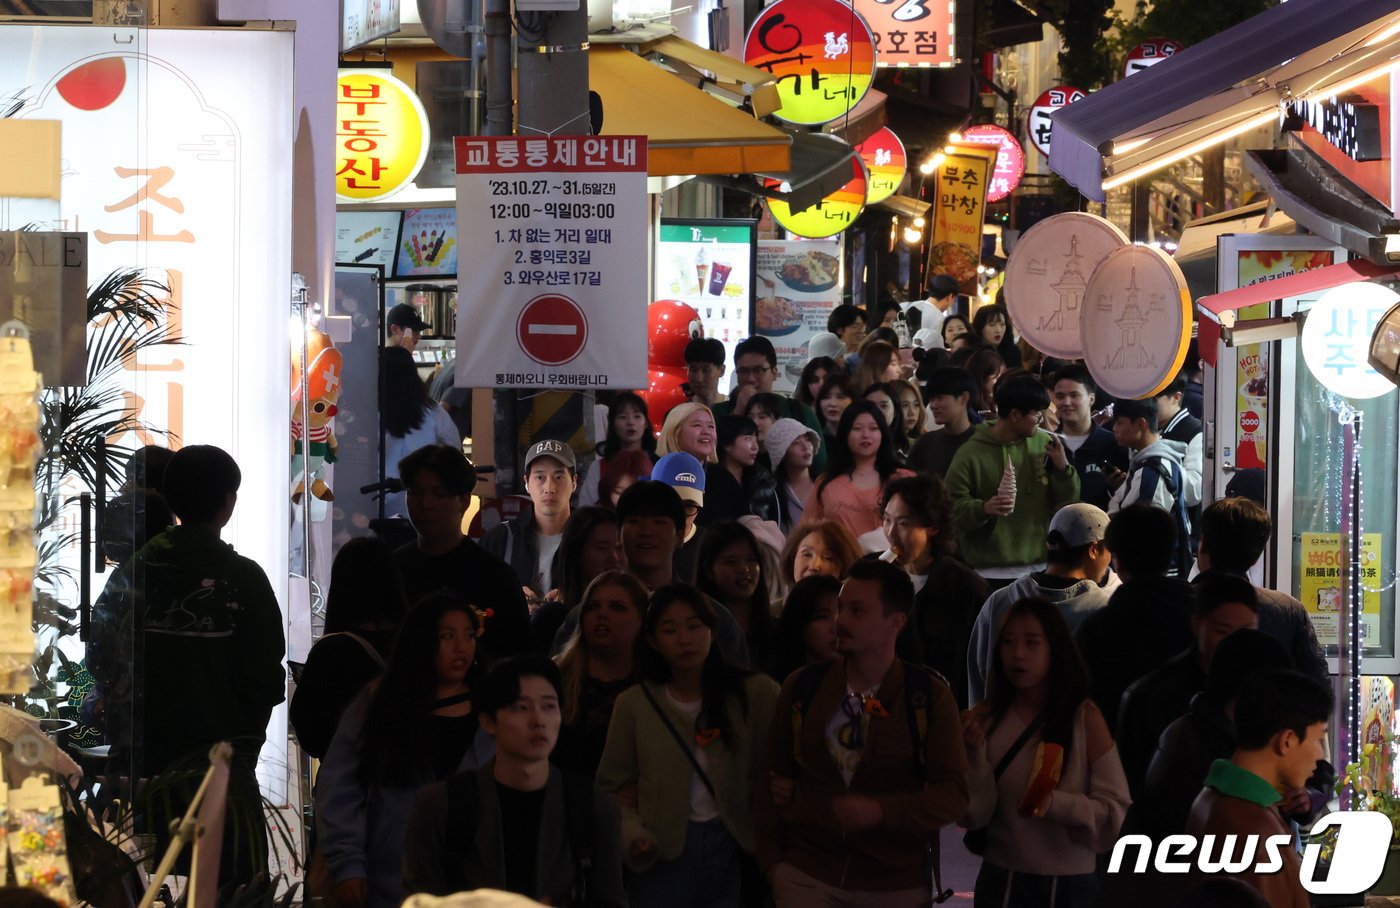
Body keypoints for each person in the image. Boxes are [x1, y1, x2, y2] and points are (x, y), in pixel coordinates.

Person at [91, 444, 285, 891]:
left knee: (138, 888)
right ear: (228, 503)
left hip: (143, 775)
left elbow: (100, 655)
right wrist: (241, 756)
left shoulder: (134, 572)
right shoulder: (245, 579)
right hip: (220, 778)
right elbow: (265, 680)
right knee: (226, 888)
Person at [755, 560, 968, 907]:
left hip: (894, 882)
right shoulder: (803, 687)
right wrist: (774, 866)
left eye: (856, 610)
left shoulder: (926, 696)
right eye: (840, 608)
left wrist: (881, 811)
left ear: (895, 622)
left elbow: (954, 795)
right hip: (808, 873)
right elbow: (769, 780)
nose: (840, 620)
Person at [596, 585, 779, 908]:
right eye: (670, 629)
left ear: (711, 630)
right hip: (661, 849)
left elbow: (776, 767)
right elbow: (610, 787)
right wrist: (633, 835)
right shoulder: (636, 704)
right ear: (652, 640)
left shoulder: (757, 694)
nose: (684, 638)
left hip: (735, 843)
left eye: (695, 626)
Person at [402, 655, 627, 907]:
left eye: (549, 706)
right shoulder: (441, 805)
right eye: (521, 708)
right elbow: (420, 899)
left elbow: (611, 900)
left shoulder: (593, 806)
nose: (538, 721)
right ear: (488, 721)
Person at [316, 593, 494, 908]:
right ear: (421, 641)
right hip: (389, 880)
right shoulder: (381, 704)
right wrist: (348, 864)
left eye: (468, 635)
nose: (461, 647)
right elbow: (341, 787)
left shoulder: (493, 707)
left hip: (475, 882)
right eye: (447, 636)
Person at [961, 598, 1129, 907]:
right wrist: (974, 757)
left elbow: (1115, 809)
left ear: (1055, 649)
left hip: (1069, 884)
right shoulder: (984, 718)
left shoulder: (1084, 718)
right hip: (1001, 877)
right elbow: (973, 814)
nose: (1018, 654)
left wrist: (1054, 803)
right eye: (1008, 643)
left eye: (1031, 643)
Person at [551, 482, 749, 666]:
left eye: (659, 522)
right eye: (635, 521)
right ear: (619, 535)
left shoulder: (711, 617)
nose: (646, 531)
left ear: (680, 536)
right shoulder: (587, 618)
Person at [1181, 670, 1332, 908]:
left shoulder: (1213, 796)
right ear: (1287, 740)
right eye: (1318, 739)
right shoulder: (1255, 831)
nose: (1320, 755)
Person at [1116, 573, 1260, 798]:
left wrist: (1305, 797)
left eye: (1246, 631)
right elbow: (1134, 785)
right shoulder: (1152, 695)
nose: (1236, 642)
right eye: (1222, 631)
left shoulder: (1269, 689)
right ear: (1197, 625)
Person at [966, 503, 1116, 705]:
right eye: (1108, 550)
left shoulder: (999, 601)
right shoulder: (1103, 609)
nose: (1110, 561)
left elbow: (978, 679)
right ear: (1093, 549)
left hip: (1005, 730)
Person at [393, 445, 531, 660]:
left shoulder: (493, 577)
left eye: (439, 494)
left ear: (464, 501)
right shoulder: (393, 569)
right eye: (415, 492)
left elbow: (517, 657)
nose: (425, 504)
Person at [945, 373, 1079, 583]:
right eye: (1036, 415)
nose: (1042, 421)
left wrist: (1063, 469)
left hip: (1039, 566)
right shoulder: (970, 453)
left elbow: (1070, 500)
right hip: (987, 572)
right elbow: (951, 509)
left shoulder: (1046, 444)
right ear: (1015, 415)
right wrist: (984, 508)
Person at [1073, 506, 1195, 733]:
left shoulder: (1097, 628)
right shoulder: (1200, 615)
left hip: (1120, 750)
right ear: (1170, 553)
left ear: (1116, 559)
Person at [291, 537, 407, 760]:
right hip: (403, 778)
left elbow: (312, 737)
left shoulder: (331, 652)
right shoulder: (413, 641)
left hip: (347, 783)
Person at [879, 474, 989, 708]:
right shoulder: (876, 576)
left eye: (904, 523)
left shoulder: (965, 587)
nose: (891, 533)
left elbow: (980, 663)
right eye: (887, 520)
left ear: (933, 527)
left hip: (943, 707)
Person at [1195, 497, 1327, 683]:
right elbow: (1316, 684)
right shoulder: (1289, 609)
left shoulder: (1178, 603)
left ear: (1203, 546)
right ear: (1257, 556)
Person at [552, 571, 648, 778]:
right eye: (593, 607)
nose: (602, 614)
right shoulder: (554, 677)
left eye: (617, 607)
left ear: (641, 619)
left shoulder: (656, 683)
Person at [804, 400, 914, 550]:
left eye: (873, 428)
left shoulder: (904, 479)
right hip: (841, 567)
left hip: (894, 567)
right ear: (845, 434)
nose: (865, 435)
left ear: (883, 433)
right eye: (856, 428)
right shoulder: (826, 484)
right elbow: (808, 531)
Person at [482, 440, 577, 609]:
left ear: (574, 482)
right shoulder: (501, 539)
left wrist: (574, 600)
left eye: (559, 477)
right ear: (526, 482)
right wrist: (511, 601)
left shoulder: (590, 538)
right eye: (540, 477)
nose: (549, 488)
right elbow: (476, 601)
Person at [1105, 397, 1193, 575]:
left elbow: (1141, 532)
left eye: (1120, 422)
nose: (1114, 429)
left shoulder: (1152, 472)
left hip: (1154, 574)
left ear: (1140, 424)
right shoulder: (1154, 462)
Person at [712, 337, 828, 473]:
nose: (750, 379)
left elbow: (820, 468)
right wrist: (739, 412)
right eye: (743, 371)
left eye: (758, 370)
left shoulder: (799, 412)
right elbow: (713, 461)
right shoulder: (719, 413)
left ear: (774, 372)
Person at [381, 346, 460, 516]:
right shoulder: (433, 413)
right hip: (423, 502)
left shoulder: (369, 413)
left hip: (376, 500)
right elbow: (454, 452)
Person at [535, 508, 623, 654]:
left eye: (619, 548)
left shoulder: (633, 615)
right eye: (602, 548)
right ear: (576, 552)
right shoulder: (553, 618)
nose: (614, 558)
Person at [1049, 365, 1127, 510]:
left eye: (1074, 395)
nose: (1066, 402)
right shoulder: (1048, 444)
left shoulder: (1114, 444)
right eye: (1060, 396)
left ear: (1091, 399)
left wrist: (1119, 488)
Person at [697, 522, 774, 670]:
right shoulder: (699, 631)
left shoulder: (775, 630)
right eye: (731, 562)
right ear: (709, 571)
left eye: (751, 560)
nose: (744, 569)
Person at [579, 392, 657, 508]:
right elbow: (586, 510)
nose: (631, 422)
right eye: (623, 417)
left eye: (637, 416)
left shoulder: (658, 465)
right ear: (613, 424)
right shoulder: (599, 467)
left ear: (646, 423)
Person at [766, 573, 840, 682]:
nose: (836, 626)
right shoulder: (778, 685)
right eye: (823, 617)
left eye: (840, 614)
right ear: (800, 622)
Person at [651, 451, 710, 584]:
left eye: (688, 506)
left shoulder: (710, 548)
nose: (678, 515)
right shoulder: (638, 544)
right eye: (670, 505)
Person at [909, 366, 977, 477]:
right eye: (931, 399)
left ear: (964, 398)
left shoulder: (981, 442)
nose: (933, 405)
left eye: (940, 398)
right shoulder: (924, 444)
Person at [699, 416, 762, 527]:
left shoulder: (761, 479)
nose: (755, 447)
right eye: (748, 439)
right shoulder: (709, 479)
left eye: (756, 439)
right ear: (727, 444)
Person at [765, 418, 819, 535]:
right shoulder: (773, 495)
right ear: (781, 453)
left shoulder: (824, 485)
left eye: (807, 439)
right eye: (795, 442)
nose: (806, 447)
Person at [778, 519, 862, 589]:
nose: (814, 566)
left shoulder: (851, 609)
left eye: (827, 557)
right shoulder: (775, 609)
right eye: (807, 554)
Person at [903, 273, 959, 347]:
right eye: (954, 300)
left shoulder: (903, 305)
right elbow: (932, 348)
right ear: (950, 296)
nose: (952, 303)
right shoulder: (937, 316)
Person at [861, 382, 911, 463]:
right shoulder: (854, 445)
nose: (877, 411)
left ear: (895, 411)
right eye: (870, 405)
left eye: (884, 406)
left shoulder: (908, 451)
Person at [813, 373, 855, 453]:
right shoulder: (814, 439)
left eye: (840, 397)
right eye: (826, 397)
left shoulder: (860, 438)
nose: (832, 403)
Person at [685, 337, 729, 409]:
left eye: (705, 370)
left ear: (721, 370)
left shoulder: (733, 410)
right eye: (693, 370)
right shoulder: (681, 412)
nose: (699, 378)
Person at [962, 346, 1005, 417]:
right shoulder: (970, 411)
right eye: (997, 378)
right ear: (982, 378)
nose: (1001, 382)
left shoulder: (998, 404)